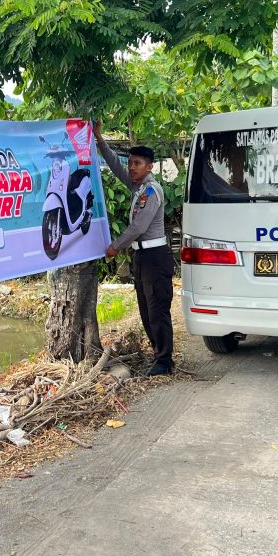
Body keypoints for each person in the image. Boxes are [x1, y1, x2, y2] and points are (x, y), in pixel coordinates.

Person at [92, 122, 175, 376]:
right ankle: (158, 354)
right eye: (130, 163)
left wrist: (115, 247)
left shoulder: (151, 190)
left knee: (157, 309)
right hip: (142, 256)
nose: (131, 167)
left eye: (137, 163)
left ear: (149, 166)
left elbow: (139, 227)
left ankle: (164, 361)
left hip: (154, 257)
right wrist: (99, 139)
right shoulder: (137, 186)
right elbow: (115, 165)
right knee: (145, 308)